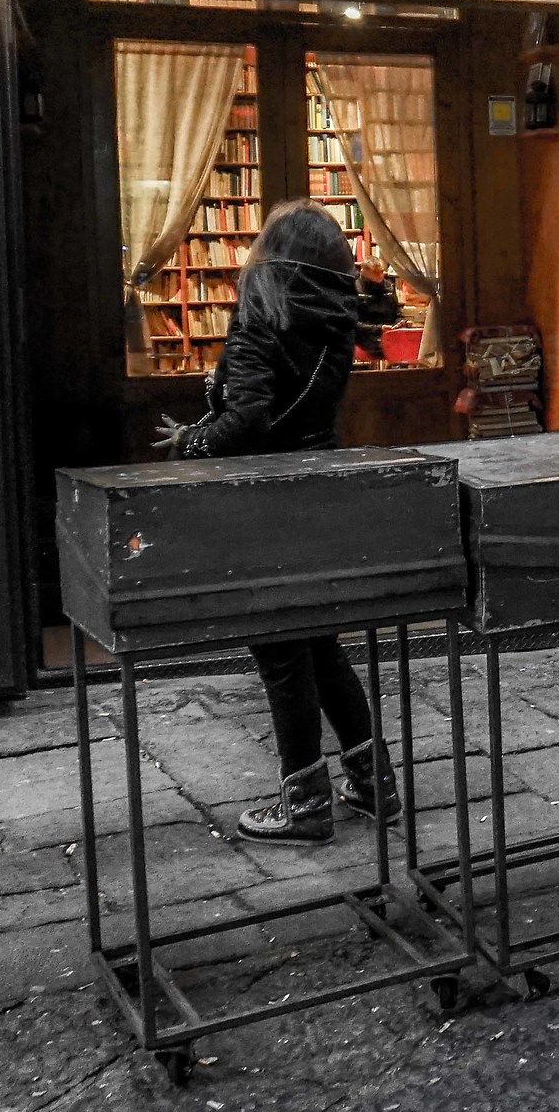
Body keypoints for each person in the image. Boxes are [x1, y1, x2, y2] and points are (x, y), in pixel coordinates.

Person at [158, 200, 397, 845]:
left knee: (282, 655)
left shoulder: (261, 317)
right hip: (316, 497)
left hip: (263, 508)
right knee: (318, 645)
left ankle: (305, 805)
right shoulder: (337, 319)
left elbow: (249, 423)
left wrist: (189, 443)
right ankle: (373, 782)